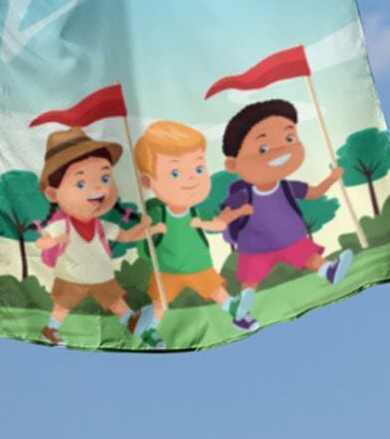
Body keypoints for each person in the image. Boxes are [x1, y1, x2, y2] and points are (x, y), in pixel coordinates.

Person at [218, 98, 353, 332]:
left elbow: (314, 192)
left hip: (290, 240)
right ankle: (242, 312)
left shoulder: (287, 186)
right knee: (251, 280)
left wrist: (331, 179)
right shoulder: (243, 194)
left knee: (309, 256)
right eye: (262, 148)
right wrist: (239, 212)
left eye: (289, 139)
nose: (280, 150)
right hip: (256, 247)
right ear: (233, 165)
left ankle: (328, 271)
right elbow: (224, 218)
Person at [125, 119, 250, 332]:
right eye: (175, 173)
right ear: (147, 182)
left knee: (218, 293)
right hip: (167, 271)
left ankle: (237, 313)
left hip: (199, 266)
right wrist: (151, 229)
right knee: (159, 304)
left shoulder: (194, 211)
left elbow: (215, 225)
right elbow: (134, 236)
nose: (192, 179)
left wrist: (228, 217)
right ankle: (147, 330)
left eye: (199, 168)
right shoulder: (157, 213)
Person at [34, 127, 152, 346]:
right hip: (71, 276)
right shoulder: (62, 226)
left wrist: (145, 228)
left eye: (105, 178)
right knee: (62, 307)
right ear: (53, 193)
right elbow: (40, 243)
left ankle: (132, 322)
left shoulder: (102, 225)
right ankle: (51, 328)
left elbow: (125, 237)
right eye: (80, 183)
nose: (98, 188)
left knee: (117, 303)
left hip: (100, 276)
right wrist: (54, 241)